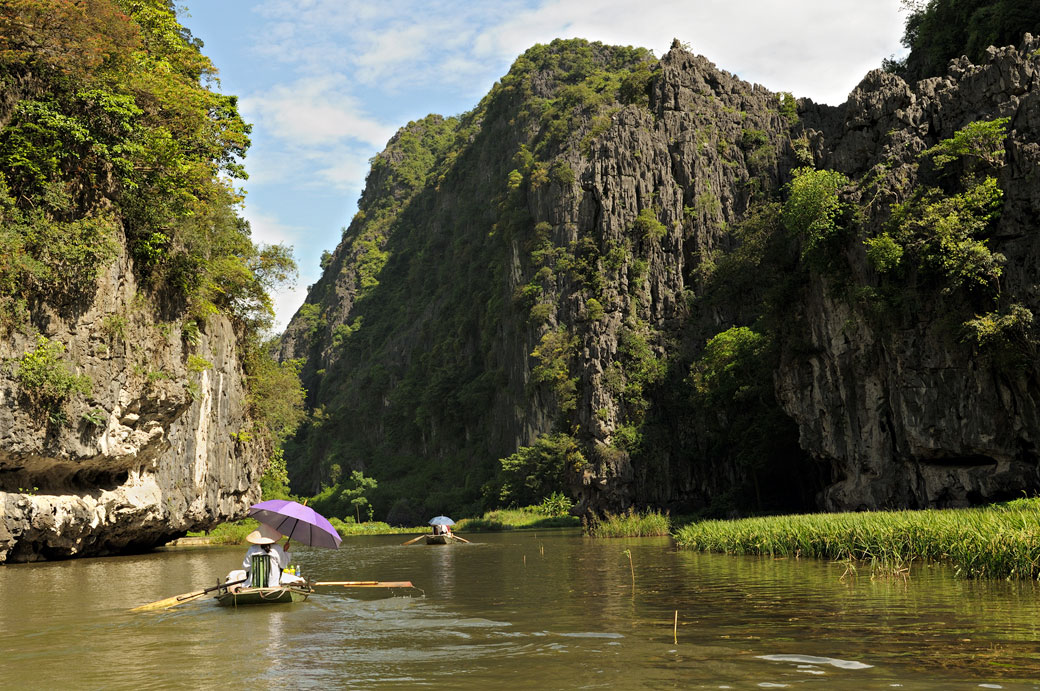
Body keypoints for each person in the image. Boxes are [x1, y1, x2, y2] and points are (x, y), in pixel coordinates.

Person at [229, 523, 297, 590]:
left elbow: (246, 567)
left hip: (253, 585)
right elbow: (283, 565)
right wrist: (285, 551)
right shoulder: (277, 548)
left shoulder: (252, 549)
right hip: (272, 585)